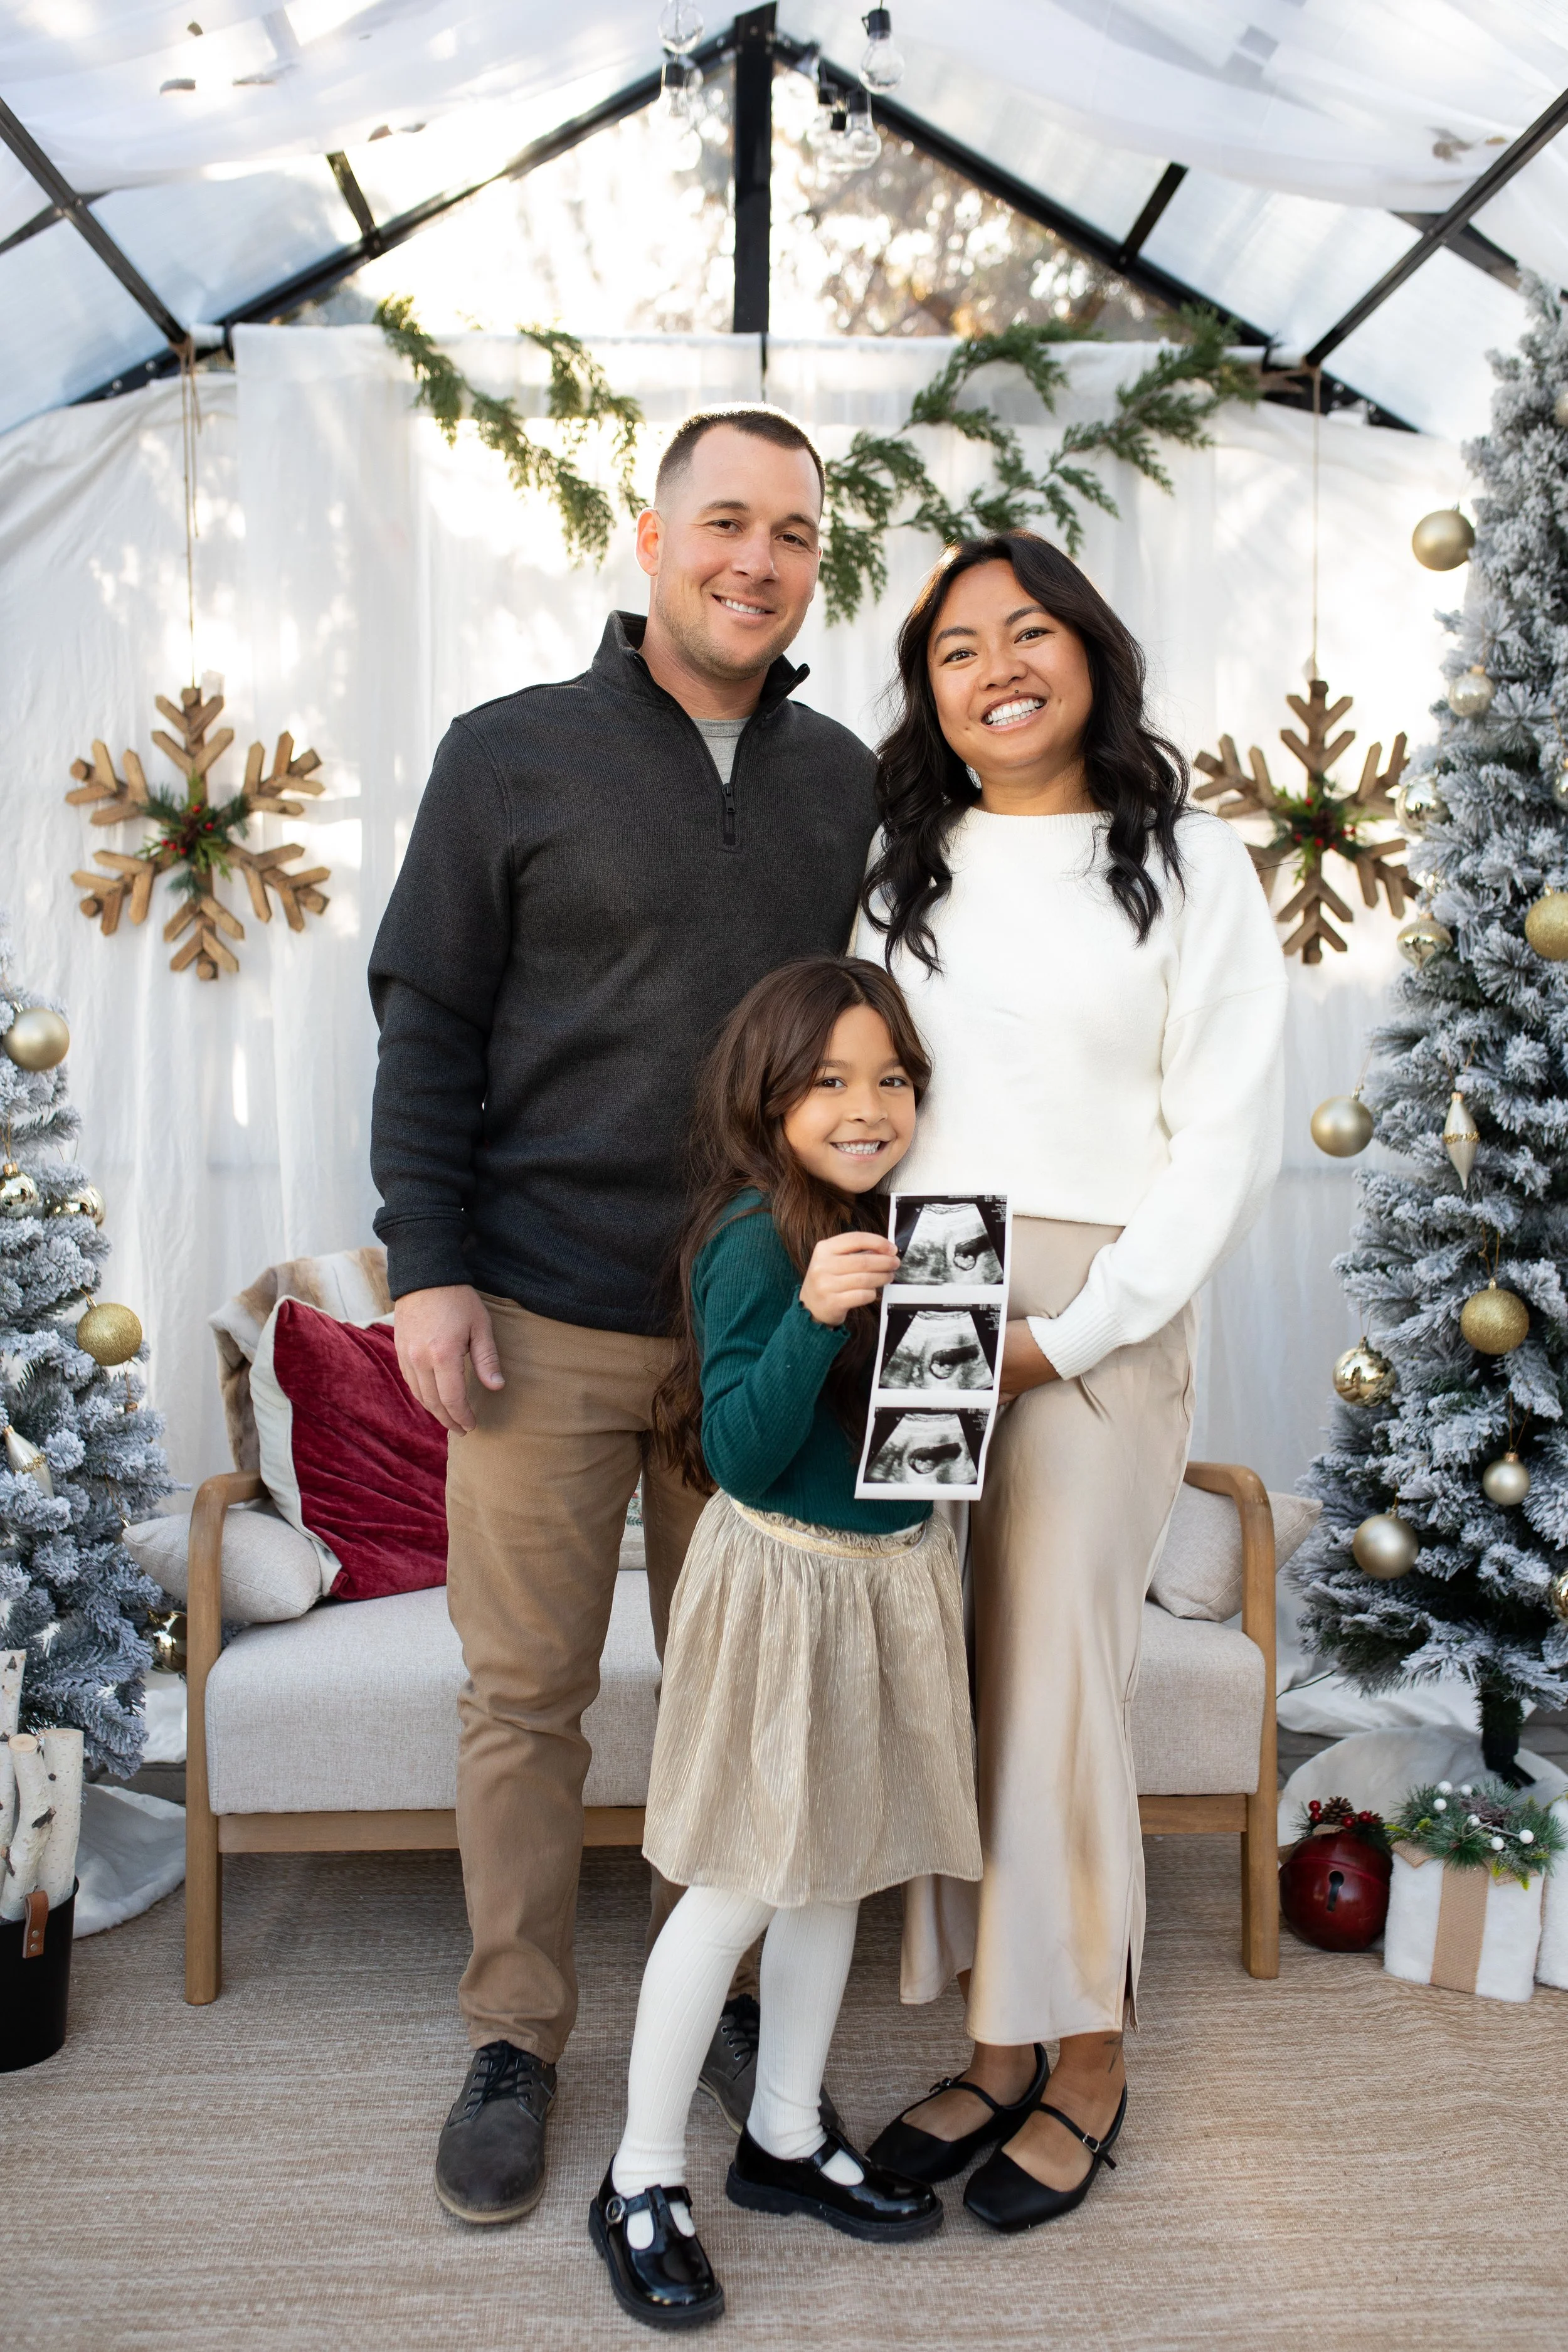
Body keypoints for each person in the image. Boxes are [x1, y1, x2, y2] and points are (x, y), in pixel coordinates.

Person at [368, 408, 882, 2228]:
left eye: (794, 533)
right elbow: (425, 1024)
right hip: (536, 1311)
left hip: (756, 1319)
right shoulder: (507, 757)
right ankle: (514, 2030)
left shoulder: (843, 781)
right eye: (724, 522)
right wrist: (423, 1265)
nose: (757, 558)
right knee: (526, 1692)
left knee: (735, 1688)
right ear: (651, 541)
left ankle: (709, 1994)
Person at [856, 531, 1286, 2233]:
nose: (994, 665)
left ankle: (1086, 2050)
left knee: (1051, 1679)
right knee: (938, 1673)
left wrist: (1080, 1327)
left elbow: (1222, 1144)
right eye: (956, 647)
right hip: (927, 1276)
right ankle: (990, 2032)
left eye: (1026, 630)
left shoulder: (1188, 865)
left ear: (1089, 653)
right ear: (933, 697)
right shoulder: (905, 867)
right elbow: (860, 1089)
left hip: (1102, 1296)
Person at [590, 955, 982, 2329]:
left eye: (891, 1079)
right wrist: (818, 1316)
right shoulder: (755, 1241)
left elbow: (915, 1444)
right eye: (827, 1082)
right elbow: (746, 1460)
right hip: (785, 1590)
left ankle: (778, 2135)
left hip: (887, 1581)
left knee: (839, 1869)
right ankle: (639, 2176)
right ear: (768, 1100)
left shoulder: (916, 1231)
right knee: (745, 1881)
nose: (866, 1105)